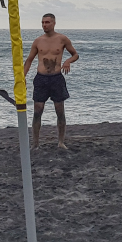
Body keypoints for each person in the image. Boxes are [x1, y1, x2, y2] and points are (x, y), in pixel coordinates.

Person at [23, 13, 79, 149]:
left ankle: (61, 142)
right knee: (37, 111)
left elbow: (75, 54)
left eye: (47, 22)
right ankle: (35, 144)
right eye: (42, 22)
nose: (44, 25)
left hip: (56, 79)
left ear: (54, 23)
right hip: (41, 79)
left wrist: (67, 61)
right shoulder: (38, 41)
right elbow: (29, 60)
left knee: (60, 111)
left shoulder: (62, 39)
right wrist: (22, 77)